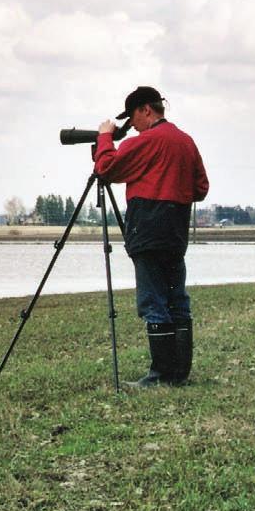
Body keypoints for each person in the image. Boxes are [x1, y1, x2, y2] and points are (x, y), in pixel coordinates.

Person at [94, 86, 210, 386]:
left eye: (132, 118)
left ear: (147, 109)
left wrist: (105, 137)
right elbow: (201, 189)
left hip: (146, 228)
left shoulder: (145, 142)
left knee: (153, 300)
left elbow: (106, 168)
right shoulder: (186, 141)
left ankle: (160, 376)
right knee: (177, 299)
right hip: (176, 231)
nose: (131, 126)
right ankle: (179, 374)